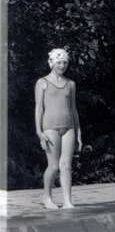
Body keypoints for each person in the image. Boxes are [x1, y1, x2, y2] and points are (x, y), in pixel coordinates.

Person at [35, 47, 81, 210]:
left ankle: (67, 200)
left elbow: (73, 108)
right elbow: (39, 108)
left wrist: (78, 131)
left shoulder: (70, 84)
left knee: (66, 165)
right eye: (59, 62)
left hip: (69, 127)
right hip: (50, 127)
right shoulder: (42, 82)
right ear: (52, 62)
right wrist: (39, 131)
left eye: (65, 63)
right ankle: (47, 197)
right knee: (53, 165)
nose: (62, 66)